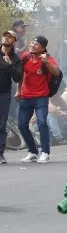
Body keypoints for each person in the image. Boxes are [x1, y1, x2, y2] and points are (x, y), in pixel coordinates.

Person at [17, 36, 60, 164]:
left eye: (36, 44)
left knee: (42, 123)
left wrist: (46, 62)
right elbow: (21, 74)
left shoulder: (47, 59)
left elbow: (56, 73)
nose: (32, 45)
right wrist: (18, 90)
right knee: (22, 125)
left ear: (43, 48)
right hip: (26, 96)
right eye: (32, 43)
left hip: (41, 97)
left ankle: (45, 153)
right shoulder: (26, 57)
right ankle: (33, 152)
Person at [0, 31, 21, 164]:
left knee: (1, 124)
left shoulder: (15, 59)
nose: (6, 38)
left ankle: (0, 153)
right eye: (5, 36)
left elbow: (18, 77)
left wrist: (10, 64)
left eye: (9, 37)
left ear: (14, 41)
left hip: (4, 94)